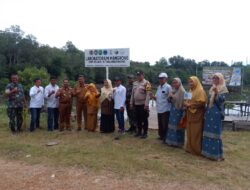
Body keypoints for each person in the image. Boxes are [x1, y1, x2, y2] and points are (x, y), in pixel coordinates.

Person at [201, 73, 228, 161]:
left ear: (220, 79)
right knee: (208, 131)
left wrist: (217, 93)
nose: (215, 80)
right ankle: (207, 153)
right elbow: (209, 101)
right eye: (214, 78)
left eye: (217, 78)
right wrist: (205, 111)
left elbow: (221, 102)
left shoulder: (223, 89)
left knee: (215, 133)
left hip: (216, 113)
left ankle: (216, 155)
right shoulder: (211, 88)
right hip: (209, 113)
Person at [184, 76, 207, 155]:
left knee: (196, 132)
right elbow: (186, 100)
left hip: (197, 115)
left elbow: (202, 103)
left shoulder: (200, 91)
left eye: (192, 82)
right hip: (189, 114)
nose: (190, 83)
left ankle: (196, 150)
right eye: (189, 82)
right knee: (189, 131)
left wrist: (190, 105)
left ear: (196, 82)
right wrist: (185, 103)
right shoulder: (190, 90)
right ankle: (189, 148)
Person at [130, 71, 152, 139]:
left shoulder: (147, 83)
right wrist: (131, 103)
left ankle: (145, 133)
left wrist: (146, 104)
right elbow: (132, 94)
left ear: (143, 75)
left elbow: (148, 94)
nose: (139, 76)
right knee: (138, 119)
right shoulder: (135, 83)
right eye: (138, 75)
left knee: (144, 119)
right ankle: (139, 132)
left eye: (140, 75)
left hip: (143, 104)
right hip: (136, 104)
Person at [151, 72, 171, 141]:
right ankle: (161, 135)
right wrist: (152, 96)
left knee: (165, 124)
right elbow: (156, 97)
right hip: (159, 108)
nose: (160, 80)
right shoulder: (159, 87)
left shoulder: (168, 87)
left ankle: (165, 137)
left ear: (166, 79)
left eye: (162, 78)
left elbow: (170, 97)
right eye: (159, 78)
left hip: (166, 109)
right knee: (160, 123)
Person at [165, 78, 186, 147]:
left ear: (179, 83)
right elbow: (169, 100)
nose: (174, 84)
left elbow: (184, 102)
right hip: (173, 110)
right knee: (172, 126)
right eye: (173, 83)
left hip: (179, 111)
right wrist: (170, 96)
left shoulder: (182, 91)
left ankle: (178, 143)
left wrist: (173, 97)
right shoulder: (173, 90)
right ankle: (171, 141)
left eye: (176, 83)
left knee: (178, 126)